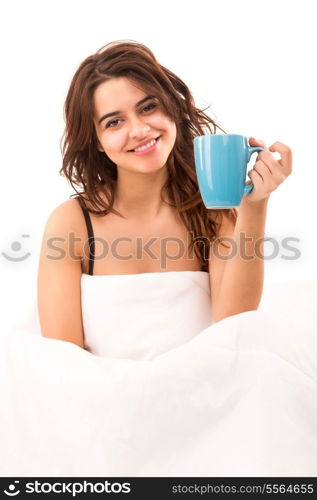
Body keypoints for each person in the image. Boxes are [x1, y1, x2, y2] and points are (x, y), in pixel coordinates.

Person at [0, 40, 316, 478]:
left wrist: (255, 207)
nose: (139, 129)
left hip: (205, 411)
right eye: (114, 122)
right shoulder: (73, 222)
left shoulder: (215, 209)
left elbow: (237, 325)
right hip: (106, 421)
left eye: (148, 107)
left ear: (172, 108)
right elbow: (61, 369)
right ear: (96, 141)